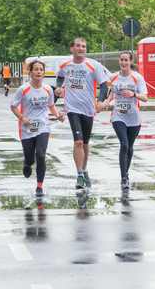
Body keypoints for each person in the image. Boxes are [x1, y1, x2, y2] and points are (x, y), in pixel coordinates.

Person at [55, 37, 109, 191]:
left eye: (84, 46)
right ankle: (79, 174)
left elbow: (104, 85)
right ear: (72, 48)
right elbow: (59, 78)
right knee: (78, 141)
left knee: (85, 143)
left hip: (88, 109)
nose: (81, 49)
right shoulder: (65, 65)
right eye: (78, 46)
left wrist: (100, 101)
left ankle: (84, 170)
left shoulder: (93, 65)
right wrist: (58, 88)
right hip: (72, 109)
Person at [11, 60, 64, 197]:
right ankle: (27, 163)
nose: (39, 71)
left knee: (40, 154)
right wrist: (22, 118)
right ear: (30, 72)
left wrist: (58, 115)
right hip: (27, 128)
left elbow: (51, 105)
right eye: (36, 69)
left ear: (43, 73)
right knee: (30, 158)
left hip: (43, 126)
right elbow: (13, 106)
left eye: (41, 69)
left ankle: (39, 186)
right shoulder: (23, 90)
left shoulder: (47, 89)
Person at [99, 52, 148, 191]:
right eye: (121, 60)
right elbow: (110, 93)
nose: (123, 62)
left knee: (130, 147)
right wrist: (106, 102)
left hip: (133, 117)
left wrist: (134, 94)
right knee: (124, 144)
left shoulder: (137, 78)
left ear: (130, 61)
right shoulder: (113, 77)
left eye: (126, 60)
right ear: (119, 61)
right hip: (118, 115)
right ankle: (124, 177)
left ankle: (126, 172)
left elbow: (145, 98)